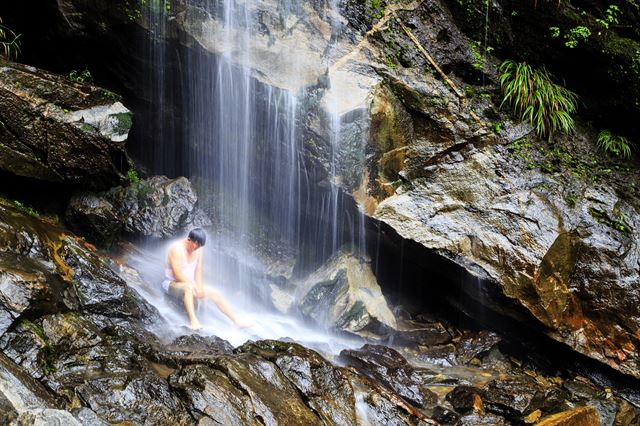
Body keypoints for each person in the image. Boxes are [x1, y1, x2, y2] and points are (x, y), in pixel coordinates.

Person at [161, 228, 252, 330]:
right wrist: (193, 285)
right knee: (188, 287)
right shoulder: (177, 249)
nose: (196, 248)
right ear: (188, 239)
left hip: (190, 283)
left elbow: (198, 270)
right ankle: (193, 322)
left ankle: (237, 321)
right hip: (171, 283)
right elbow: (177, 274)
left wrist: (199, 288)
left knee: (214, 292)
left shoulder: (198, 249)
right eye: (194, 245)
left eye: (199, 246)